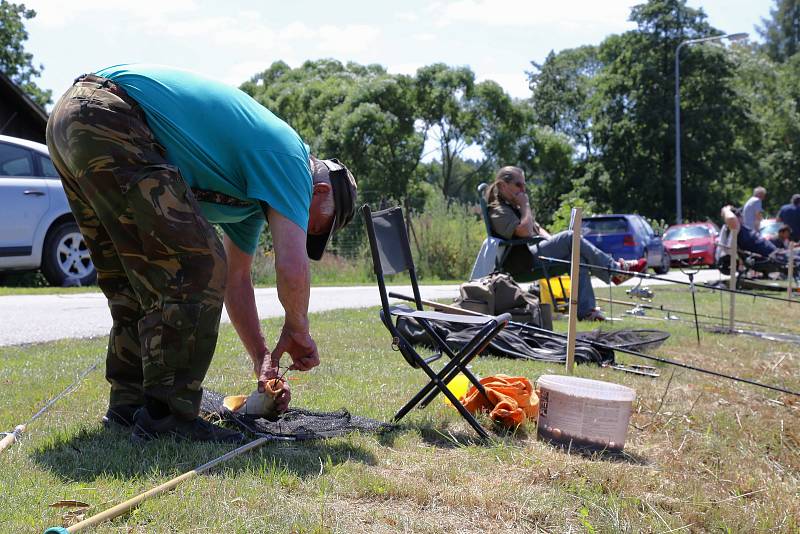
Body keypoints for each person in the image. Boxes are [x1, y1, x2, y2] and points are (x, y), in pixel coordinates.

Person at [46, 65, 357, 444]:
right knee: (200, 265)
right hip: (111, 114)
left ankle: (129, 408)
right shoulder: (292, 160)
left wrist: (263, 358)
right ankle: (170, 418)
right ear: (321, 192)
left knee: (133, 279)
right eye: (320, 226)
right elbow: (291, 266)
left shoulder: (249, 202)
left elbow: (236, 282)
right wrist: (298, 328)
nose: (308, 232)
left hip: (71, 119)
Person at [485, 166, 645, 321]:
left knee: (576, 258)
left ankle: (586, 312)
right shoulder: (498, 210)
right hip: (520, 264)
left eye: (524, 185)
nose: (523, 190)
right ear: (502, 185)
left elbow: (536, 229)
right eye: (518, 185)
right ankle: (615, 269)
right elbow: (524, 231)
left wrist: (553, 243)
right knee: (570, 236)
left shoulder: (513, 206)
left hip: (530, 254)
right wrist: (525, 205)